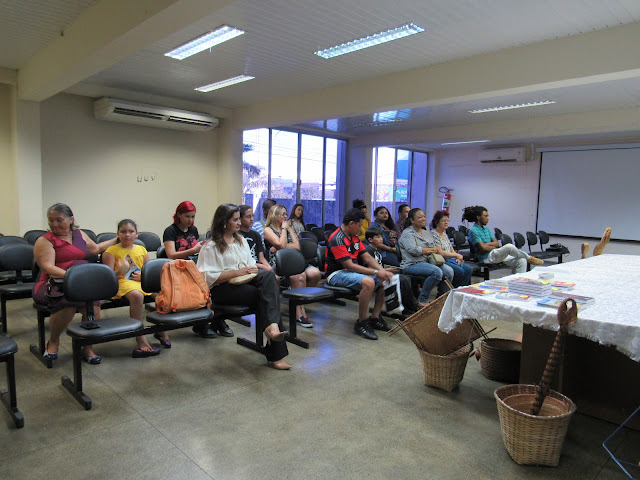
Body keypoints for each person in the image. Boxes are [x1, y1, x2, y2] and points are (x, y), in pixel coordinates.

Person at [197, 204, 290, 370]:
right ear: (224, 222)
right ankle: (276, 350)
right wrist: (237, 272)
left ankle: (272, 328)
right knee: (267, 297)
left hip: (244, 282)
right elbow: (206, 278)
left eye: (239, 219)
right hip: (222, 289)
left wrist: (252, 268)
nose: (239, 223)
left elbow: (249, 265)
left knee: (268, 278)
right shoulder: (210, 246)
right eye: (235, 220)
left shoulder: (241, 241)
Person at [33, 203, 118, 364]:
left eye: (59, 220)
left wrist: (117, 239)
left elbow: (95, 249)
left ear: (71, 219)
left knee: (93, 306)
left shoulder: (80, 234)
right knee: (68, 303)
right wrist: (73, 277)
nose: (54, 224)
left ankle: (87, 346)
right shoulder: (45, 240)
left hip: (81, 283)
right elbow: (47, 267)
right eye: (51, 220)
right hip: (53, 283)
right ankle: (53, 341)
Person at [325, 208, 394, 340]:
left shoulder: (354, 237)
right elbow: (349, 266)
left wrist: (382, 271)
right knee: (369, 282)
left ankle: (375, 318)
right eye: (359, 225)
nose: (360, 229)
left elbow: (367, 257)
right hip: (336, 274)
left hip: (350, 272)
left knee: (385, 280)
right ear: (351, 223)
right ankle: (362, 322)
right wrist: (376, 272)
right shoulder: (337, 238)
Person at [102, 219, 163, 357]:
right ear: (118, 234)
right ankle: (140, 336)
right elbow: (107, 278)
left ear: (137, 234)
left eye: (131, 231)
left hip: (140, 281)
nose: (127, 235)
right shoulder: (111, 251)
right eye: (123, 231)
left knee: (160, 293)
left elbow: (148, 269)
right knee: (137, 295)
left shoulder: (141, 249)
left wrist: (143, 276)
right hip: (121, 282)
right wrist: (120, 271)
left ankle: (161, 330)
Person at [164, 201, 224, 337]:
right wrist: (193, 250)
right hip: (178, 268)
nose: (190, 220)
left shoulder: (193, 230)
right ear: (178, 215)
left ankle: (217, 320)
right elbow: (171, 255)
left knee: (214, 280)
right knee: (201, 285)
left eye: (193, 217)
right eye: (187, 216)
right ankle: (202, 324)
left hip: (193, 265)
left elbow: (197, 251)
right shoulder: (170, 231)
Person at [264, 205, 322, 328]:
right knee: (298, 275)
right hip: (277, 263)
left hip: (293, 260)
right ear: (275, 215)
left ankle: (298, 306)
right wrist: (284, 231)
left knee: (309, 274)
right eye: (283, 214)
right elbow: (282, 245)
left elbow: (297, 247)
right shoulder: (268, 230)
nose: (285, 216)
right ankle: (299, 312)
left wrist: (283, 243)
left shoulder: (287, 228)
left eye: (286, 214)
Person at [462, 205, 543, 273]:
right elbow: (483, 248)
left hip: (495, 254)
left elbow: (496, 243)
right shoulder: (473, 230)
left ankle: (517, 282)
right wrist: (490, 246)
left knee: (521, 261)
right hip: (486, 257)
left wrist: (487, 245)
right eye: (485, 216)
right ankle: (529, 258)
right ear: (478, 217)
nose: (488, 218)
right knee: (509, 247)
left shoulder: (486, 229)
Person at [364, 227, 422, 314]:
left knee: (409, 278)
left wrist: (388, 269)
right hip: (374, 276)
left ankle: (409, 306)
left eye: (381, 237)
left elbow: (379, 265)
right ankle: (414, 306)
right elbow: (370, 269)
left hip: (382, 273)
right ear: (370, 239)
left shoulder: (378, 249)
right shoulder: (368, 250)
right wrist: (388, 270)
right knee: (402, 280)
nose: (381, 239)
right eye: (378, 237)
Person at [398, 208, 447, 304]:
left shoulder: (425, 233)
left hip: (426, 261)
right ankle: (423, 298)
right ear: (412, 220)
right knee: (437, 272)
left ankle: (441, 298)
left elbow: (433, 246)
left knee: (449, 271)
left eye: (424, 216)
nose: (423, 219)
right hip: (411, 264)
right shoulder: (407, 233)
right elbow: (414, 250)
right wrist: (429, 250)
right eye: (420, 217)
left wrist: (427, 249)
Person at [430, 210, 473, 288]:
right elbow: (440, 252)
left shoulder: (444, 234)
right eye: (443, 221)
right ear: (436, 222)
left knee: (469, 269)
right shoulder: (433, 234)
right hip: (442, 260)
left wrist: (458, 258)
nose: (446, 222)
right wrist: (456, 255)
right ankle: (453, 290)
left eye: (447, 220)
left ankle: (460, 289)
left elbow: (451, 249)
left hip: (450, 259)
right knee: (459, 271)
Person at [238, 205, 272, 272]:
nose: (251, 219)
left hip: (258, 265)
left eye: (252, 216)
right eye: (248, 217)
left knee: (272, 274)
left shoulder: (256, 235)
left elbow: (261, 258)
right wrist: (262, 266)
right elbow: (241, 261)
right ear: (240, 219)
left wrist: (269, 268)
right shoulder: (237, 235)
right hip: (247, 267)